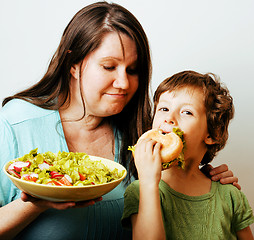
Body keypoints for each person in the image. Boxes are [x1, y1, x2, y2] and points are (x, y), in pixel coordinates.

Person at [0, 2, 239, 240]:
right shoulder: (15, 123)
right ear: (73, 63)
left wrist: (209, 182)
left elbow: (176, 200)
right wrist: (36, 203)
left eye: (133, 70)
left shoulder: (144, 133)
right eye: (109, 66)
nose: (124, 83)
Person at [121, 70, 254, 239]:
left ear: (213, 134)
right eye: (164, 108)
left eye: (187, 112)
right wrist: (148, 183)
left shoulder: (229, 194)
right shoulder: (141, 191)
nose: (169, 118)